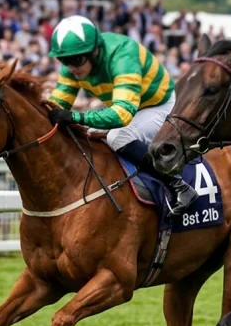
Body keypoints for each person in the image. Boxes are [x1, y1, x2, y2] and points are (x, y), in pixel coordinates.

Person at [46, 15, 197, 215]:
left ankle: (180, 186)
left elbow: (122, 114)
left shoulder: (122, 54)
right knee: (86, 133)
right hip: (131, 109)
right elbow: (57, 106)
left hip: (161, 105)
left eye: (77, 60)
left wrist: (76, 117)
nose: (71, 67)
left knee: (119, 136)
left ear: (95, 50)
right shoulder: (73, 65)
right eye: (64, 60)